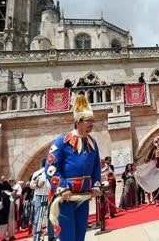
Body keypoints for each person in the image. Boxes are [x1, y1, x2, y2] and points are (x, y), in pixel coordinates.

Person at [45, 94, 102, 240]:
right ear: (78, 121)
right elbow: (51, 167)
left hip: (83, 197)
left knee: (80, 234)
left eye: (92, 121)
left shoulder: (92, 143)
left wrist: (95, 185)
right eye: (88, 121)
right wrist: (62, 187)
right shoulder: (62, 141)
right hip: (66, 197)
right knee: (67, 236)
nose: (91, 124)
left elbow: (96, 166)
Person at [30, 159, 54, 241]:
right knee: (38, 217)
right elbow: (31, 185)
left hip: (50, 195)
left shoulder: (52, 171)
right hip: (40, 196)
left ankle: (51, 237)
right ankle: (36, 238)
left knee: (50, 217)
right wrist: (38, 185)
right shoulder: (38, 173)